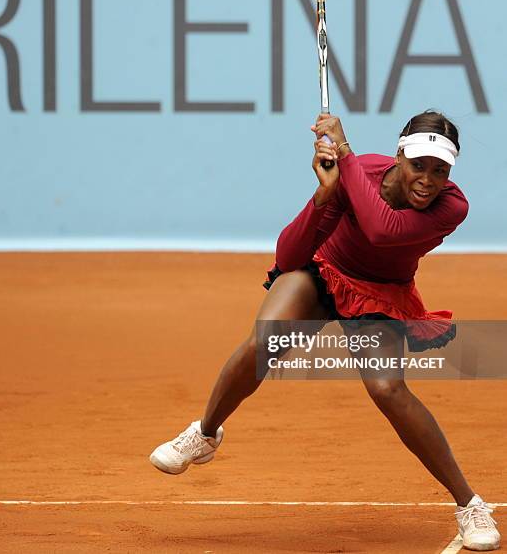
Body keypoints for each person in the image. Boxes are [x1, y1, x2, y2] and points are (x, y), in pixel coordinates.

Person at [150, 110, 500, 551]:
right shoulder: (361, 171)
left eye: (440, 170)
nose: (428, 180)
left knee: (388, 391)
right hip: (324, 272)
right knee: (266, 340)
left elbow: (380, 229)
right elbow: (288, 251)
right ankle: (204, 433)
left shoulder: (453, 206)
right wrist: (325, 195)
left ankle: (469, 504)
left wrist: (346, 156)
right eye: (419, 165)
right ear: (399, 156)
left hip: (379, 295)